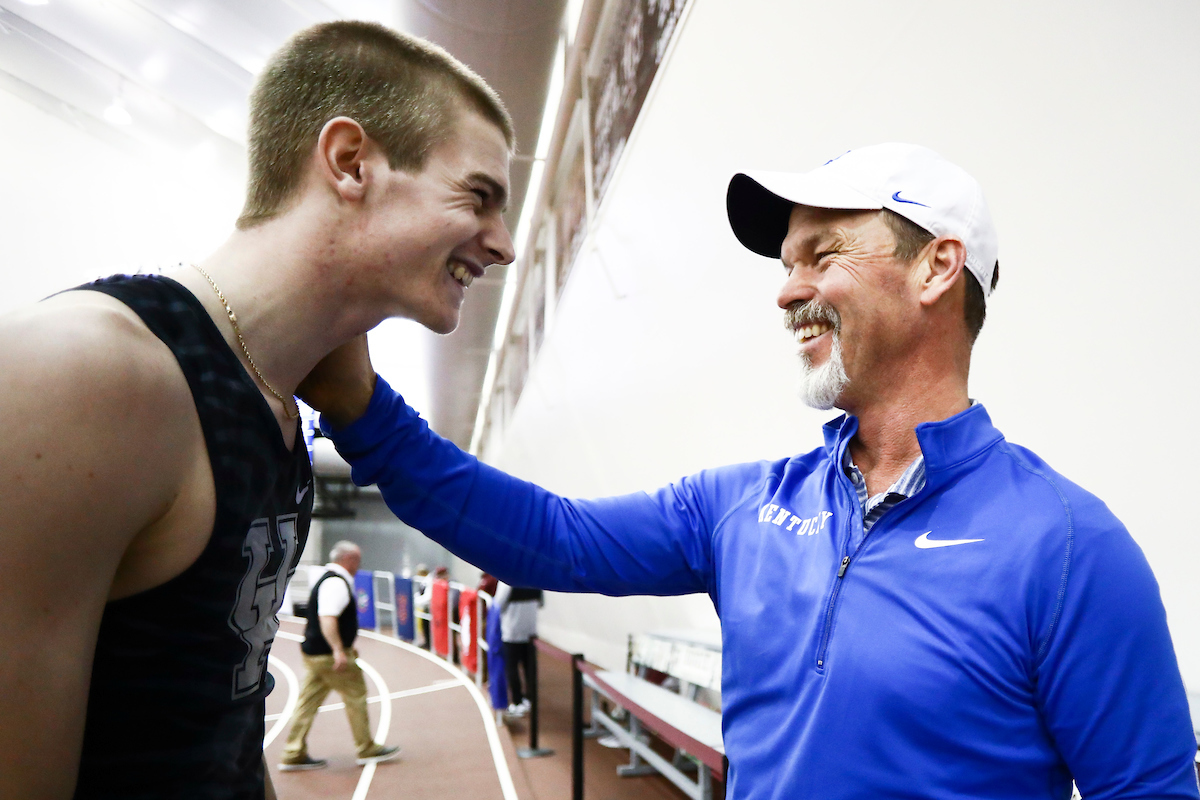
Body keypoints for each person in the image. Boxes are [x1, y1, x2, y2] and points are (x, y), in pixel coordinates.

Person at [300, 143, 1199, 799]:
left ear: (936, 267)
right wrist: (364, 411)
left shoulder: (1071, 546)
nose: (784, 290)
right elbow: (549, 538)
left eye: (821, 256)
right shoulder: (741, 508)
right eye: (784, 263)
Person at [0, 19, 515, 800]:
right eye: (479, 197)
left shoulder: (278, 404)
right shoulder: (85, 374)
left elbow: (225, 727)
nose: (504, 244)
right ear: (352, 164)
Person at [280, 541, 399, 770]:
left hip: (315, 654)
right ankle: (366, 747)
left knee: (307, 704)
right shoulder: (336, 583)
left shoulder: (327, 579)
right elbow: (328, 618)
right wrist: (339, 650)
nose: (359, 565)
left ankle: (292, 751)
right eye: (358, 560)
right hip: (328, 656)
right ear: (349, 559)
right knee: (356, 696)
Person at [493, 582, 543, 716]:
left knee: (512, 668)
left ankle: (517, 702)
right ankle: (530, 699)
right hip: (530, 632)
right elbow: (541, 602)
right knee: (530, 668)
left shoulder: (506, 580)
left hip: (511, 631)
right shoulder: (535, 578)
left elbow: (498, 603)